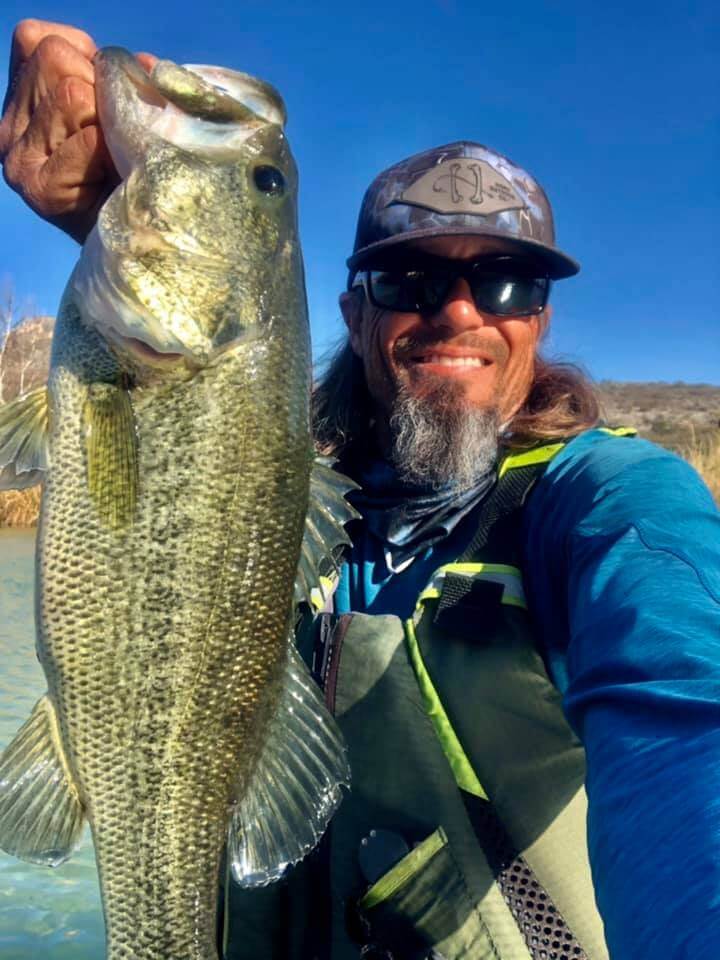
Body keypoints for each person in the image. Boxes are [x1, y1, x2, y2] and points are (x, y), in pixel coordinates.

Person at [2, 19, 720, 960]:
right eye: (411, 277)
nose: (457, 312)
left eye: (504, 283)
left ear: (539, 321)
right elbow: (201, 392)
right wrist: (122, 206)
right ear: (352, 308)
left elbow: (688, 719)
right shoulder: (288, 468)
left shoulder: (613, 504)